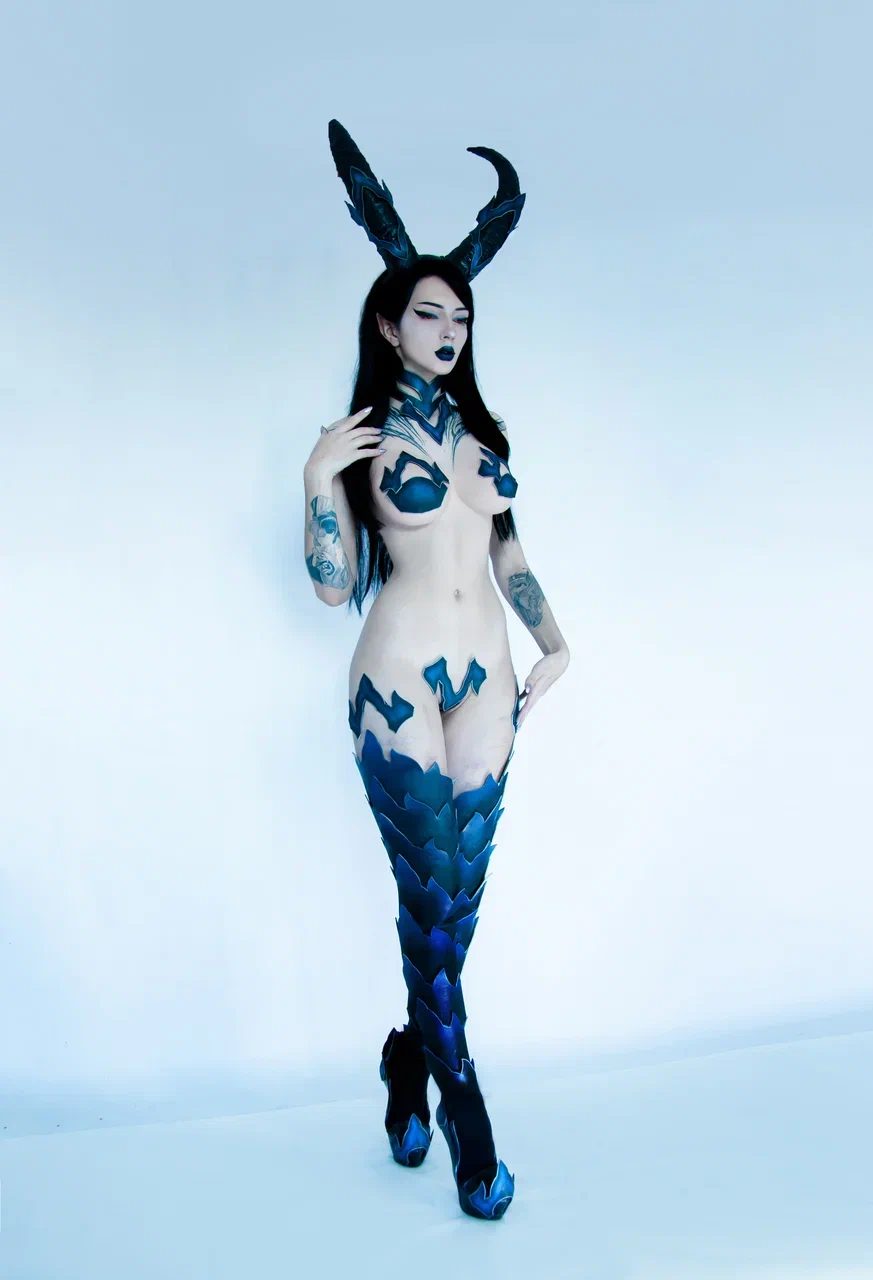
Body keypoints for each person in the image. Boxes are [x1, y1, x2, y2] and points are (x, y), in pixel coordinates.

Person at [302, 120, 571, 1221]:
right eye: (429, 313)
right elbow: (332, 585)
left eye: (461, 316)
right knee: (428, 894)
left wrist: (557, 640)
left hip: (490, 680)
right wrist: (316, 480)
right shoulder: (363, 436)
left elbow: (506, 552)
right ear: (388, 322)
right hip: (398, 682)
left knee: (455, 908)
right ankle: (468, 1115)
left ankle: (405, 1057)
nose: (449, 330)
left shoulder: (483, 430)